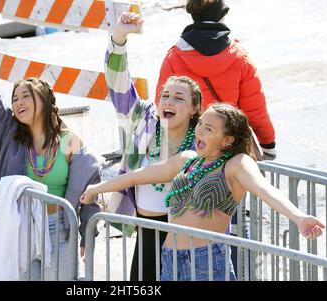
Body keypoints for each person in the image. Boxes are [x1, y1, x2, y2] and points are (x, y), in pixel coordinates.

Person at [81, 103, 324, 281]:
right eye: (200, 125)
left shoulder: (236, 164)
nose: (199, 132)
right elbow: (137, 176)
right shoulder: (188, 160)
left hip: (206, 261)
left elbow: (265, 189)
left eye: (208, 129)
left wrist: (299, 218)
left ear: (227, 140)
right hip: (170, 258)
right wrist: (96, 189)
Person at [0, 29, 103, 281]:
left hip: (60, 229)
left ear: (44, 100)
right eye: (15, 98)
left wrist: (87, 233)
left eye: (26, 96)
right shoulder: (11, 136)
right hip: (23, 229)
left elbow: (89, 192)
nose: (18, 102)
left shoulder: (69, 141)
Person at [105, 12, 202, 281]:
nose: (168, 101)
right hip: (145, 230)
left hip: (184, 235)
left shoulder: (201, 138)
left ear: (194, 109)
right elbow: (118, 85)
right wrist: (119, 38)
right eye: (165, 95)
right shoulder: (144, 119)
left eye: (178, 98)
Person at [155, 0, 277, 161]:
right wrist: (268, 145)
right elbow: (255, 110)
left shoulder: (174, 57)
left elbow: (162, 106)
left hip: (190, 149)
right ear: (221, 16)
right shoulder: (240, 58)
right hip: (232, 147)